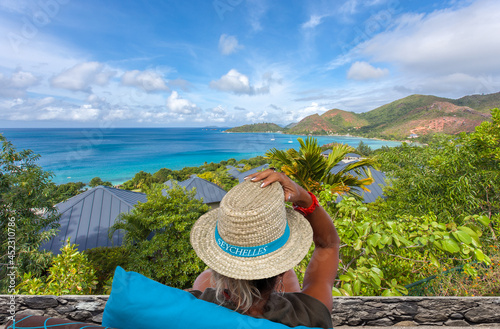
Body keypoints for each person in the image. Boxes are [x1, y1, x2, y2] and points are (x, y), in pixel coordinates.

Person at [189, 169, 340, 328]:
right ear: (282, 269)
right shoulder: (309, 315)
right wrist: (304, 199)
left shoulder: (197, 307)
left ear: (220, 266)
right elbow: (328, 246)